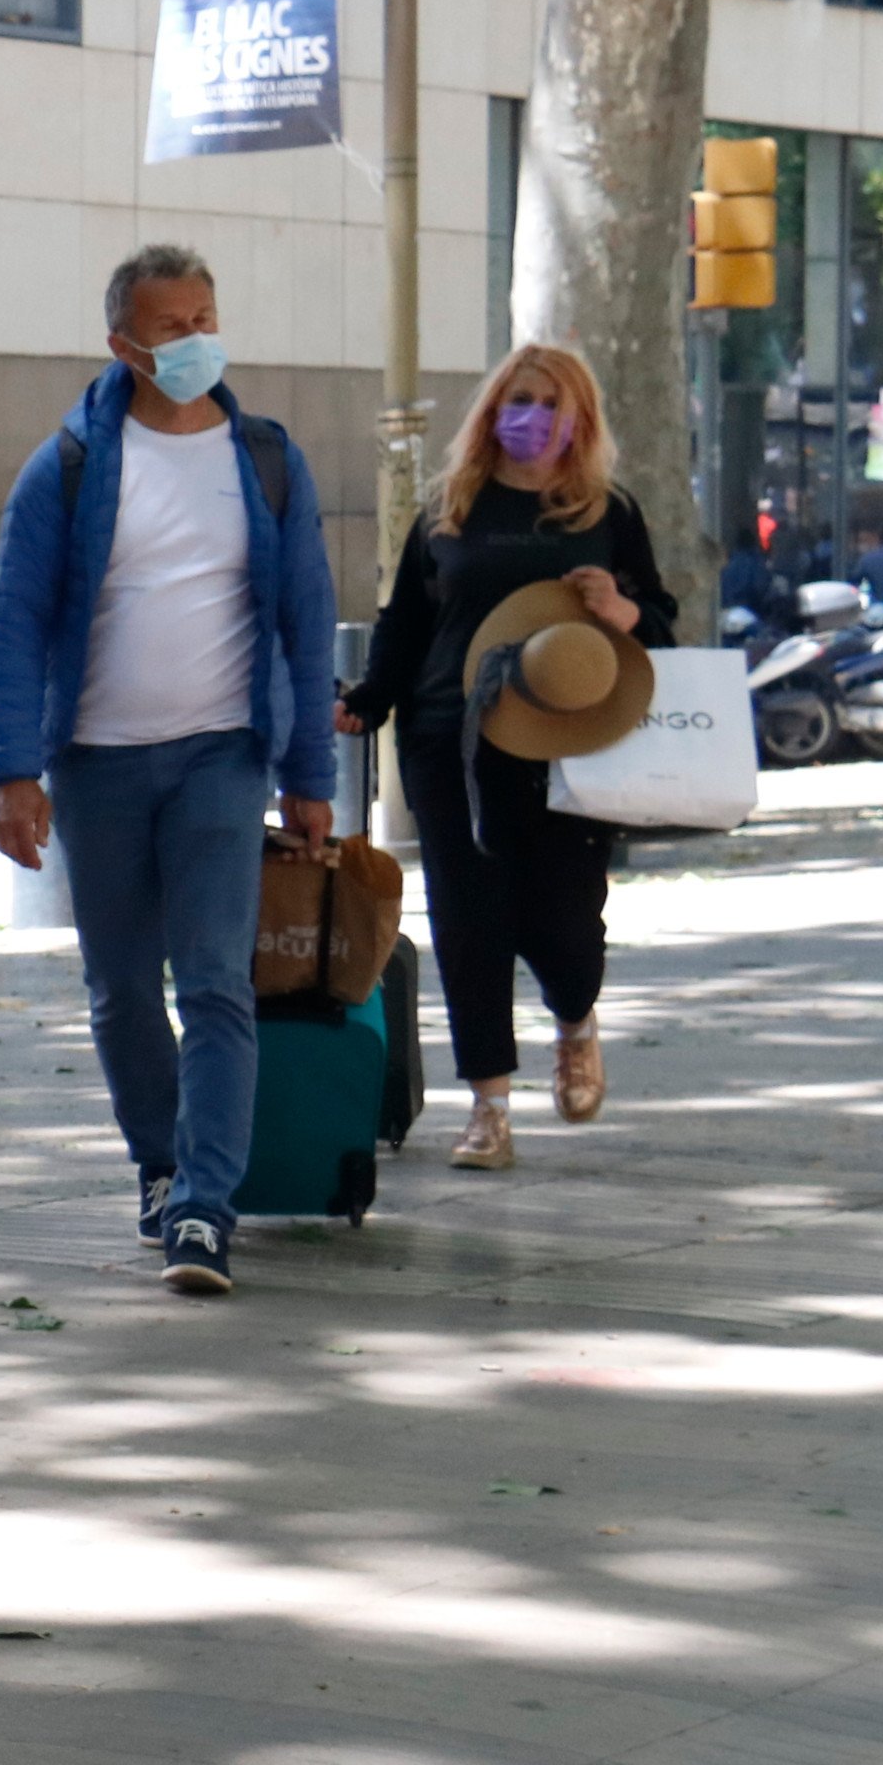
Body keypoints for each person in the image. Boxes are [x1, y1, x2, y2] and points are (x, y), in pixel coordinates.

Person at [0, 244, 339, 1296]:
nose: (193, 339)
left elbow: (306, 621)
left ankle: (204, 1209)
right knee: (124, 991)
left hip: (222, 759)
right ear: (123, 344)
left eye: (204, 317)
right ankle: (160, 1161)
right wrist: (14, 771)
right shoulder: (73, 463)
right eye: (171, 325)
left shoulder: (266, 458)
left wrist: (310, 772)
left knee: (217, 981)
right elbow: (14, 620)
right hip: (95, 765)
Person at [341, 344, 678, 1170]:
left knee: (564, 923)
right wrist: (370, 698)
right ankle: (488, 1107)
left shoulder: (606, 511)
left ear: (579, 422)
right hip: (449, 739)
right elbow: (406, 620)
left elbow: (664, 622)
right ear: (491, 412)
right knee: (469, 923)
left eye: (549, 404)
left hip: (569, 743)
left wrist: (622, 610)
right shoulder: (450, 506)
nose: (529, 417)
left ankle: (575, 1020)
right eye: (515, 400)